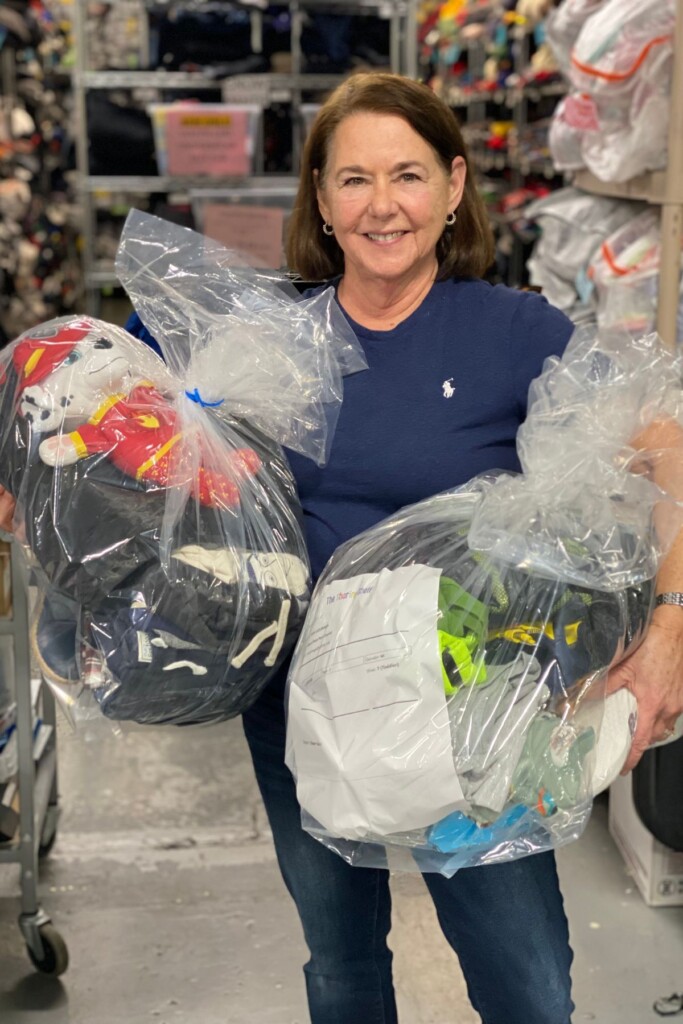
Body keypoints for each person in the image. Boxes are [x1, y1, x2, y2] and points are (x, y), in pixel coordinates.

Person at [2, 70, 683, 1024]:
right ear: (319, 200)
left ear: (453, 187)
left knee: (528, 982)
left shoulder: (511, 329)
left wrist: (668, 628)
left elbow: (663, 444)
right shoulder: (258, 333)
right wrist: (38, 479)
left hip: (475, 717)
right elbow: (89, 397)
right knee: (342, 966)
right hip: (297, 711)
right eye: (351, 179)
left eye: (405, 175)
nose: (380, 205)